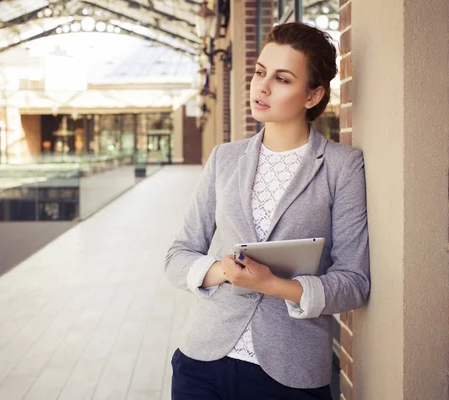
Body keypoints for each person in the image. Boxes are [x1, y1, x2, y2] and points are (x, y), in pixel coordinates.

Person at [165, 22, 370, 400]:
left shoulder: (342, 166)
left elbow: (354, 282)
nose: (262, 86)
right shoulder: (224, 159)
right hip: (202, 365)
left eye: (282, 79)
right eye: (260, 72)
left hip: (289, 375)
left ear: (313, 96)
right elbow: (177, 256)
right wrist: (221, 271)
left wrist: (274, 286)